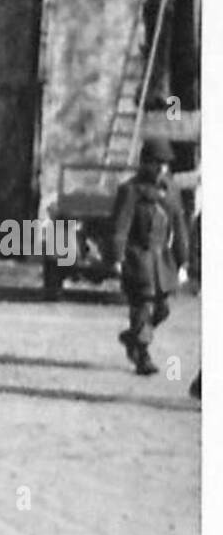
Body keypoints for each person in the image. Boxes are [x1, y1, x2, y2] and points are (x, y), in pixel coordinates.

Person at [112, 137, 189, 376]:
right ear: (144, 163)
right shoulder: (130, 190)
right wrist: (117, 258)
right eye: (156, 163)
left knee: (162, 309)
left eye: (165, 164)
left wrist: (183, 261)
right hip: (138, 257)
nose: (161, 169)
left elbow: (179, 226)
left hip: (162, 259)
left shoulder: (170, 189)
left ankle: (132, 337)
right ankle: (143, 355)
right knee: (142, 306)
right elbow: (121, 227)